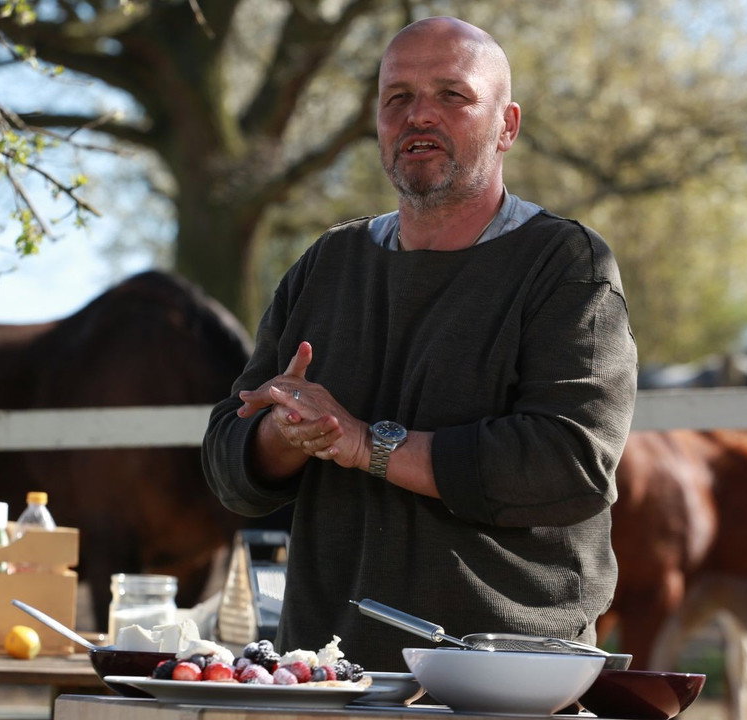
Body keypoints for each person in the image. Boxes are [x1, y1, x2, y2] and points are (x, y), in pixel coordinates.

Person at [202, 16, 637, 672]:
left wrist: (367, 446)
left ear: (507, 126)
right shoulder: (327, 265)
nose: (418, 115)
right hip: (324, 673)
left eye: (452, 95)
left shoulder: (566, 265)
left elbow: (569, 463)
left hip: (503, 674)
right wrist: (286, 435)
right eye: (397, 98)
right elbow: (226, 460)